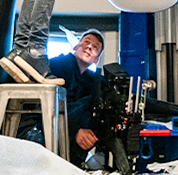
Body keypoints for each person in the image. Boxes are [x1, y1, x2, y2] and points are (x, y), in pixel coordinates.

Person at [18, 30, 110, 168]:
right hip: (35, 128)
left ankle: (79, 163)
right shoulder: (58, 64)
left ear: (96, 59)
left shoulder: (90, 79)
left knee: (101, 103)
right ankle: (74, 163)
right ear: (75, 47)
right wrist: (75, 131)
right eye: (86, 42)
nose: (89, 47)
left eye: (95, 47)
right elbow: (45, 106)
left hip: (60, 130)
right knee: (90, 102)